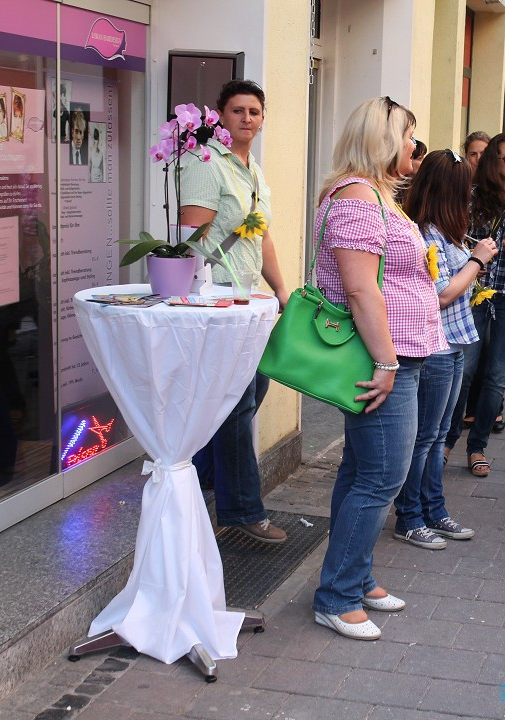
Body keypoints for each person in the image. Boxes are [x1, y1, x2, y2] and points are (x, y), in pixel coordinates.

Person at [311, 96, 447, 640]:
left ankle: (356, 576)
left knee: (363, 471)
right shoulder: (358, 199)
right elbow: (361, 289)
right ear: (384, 140)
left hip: (397, 358)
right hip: (382, 360)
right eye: (409, 134)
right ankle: (337, 595)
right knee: (381, 477)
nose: (416, 144)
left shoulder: (373, 197)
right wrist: (388, 361)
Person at [180, 80, 290, 545]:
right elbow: (188, 230)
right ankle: (242, 508)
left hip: (247, 299)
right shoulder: (207, 163)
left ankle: (202, 475)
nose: (247, 118)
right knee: (239, 400)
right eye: (238, 110)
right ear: (221, 117)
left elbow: (260, 235)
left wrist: (282, 290)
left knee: (252, 389)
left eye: (255, 111)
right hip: (216, 298)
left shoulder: (255, 172)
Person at [394, 149, 497, 550]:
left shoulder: (444, 230)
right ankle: (410, 516)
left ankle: (434, 510)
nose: (468, 198)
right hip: (433, 344)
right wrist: (476, 260)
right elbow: (441, 294)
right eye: (462, 190)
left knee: (437, 435)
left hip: (453, 341)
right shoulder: (423, 233)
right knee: (425, 437)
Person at [445, 132, 505, 478]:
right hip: (476, 292)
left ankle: (477, 446)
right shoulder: (471, 196)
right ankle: (447, 441)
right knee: (465, 371)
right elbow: (453, 236)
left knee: (496, 376)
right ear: (493, 161)